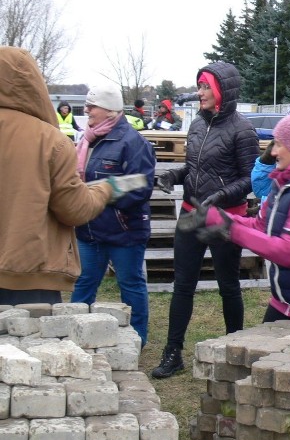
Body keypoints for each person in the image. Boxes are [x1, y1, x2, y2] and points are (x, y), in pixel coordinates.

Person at [191, 106, 290, 325]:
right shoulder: (284, 183)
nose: (273, 151)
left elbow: (289, 252)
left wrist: (230, 228)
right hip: (284, 303)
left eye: (279, 144)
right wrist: (216, 217)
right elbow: (261, 226)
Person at [151, 61, 259, 378]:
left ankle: (234, 351)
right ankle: (173, 353)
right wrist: (174, 174)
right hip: (191, 216)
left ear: (222, 91)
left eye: (204, 87)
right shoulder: (197, 125)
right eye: (198, 86)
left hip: (226, 218)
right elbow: (196, 169)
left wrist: (222, 196)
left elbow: (251, 178)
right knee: (182, 286)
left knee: (229, 287)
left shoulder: (243, 130)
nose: (199, 93)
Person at [0, 46, 117, 305]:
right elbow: (73, 209)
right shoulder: (49, 141)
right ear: (33, 83)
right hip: (28, 278)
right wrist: (107, 190)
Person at [71, 86, 156, 345]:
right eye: (86, 105)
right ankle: (71, 332)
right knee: (85, 281)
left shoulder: (132, 142)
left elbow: (141, 184)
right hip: (89, 229)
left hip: (124, 229)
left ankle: (137, 338)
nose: (86, 111)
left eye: (91, 106)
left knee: (130, 284)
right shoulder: (87, 139)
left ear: (109, 110)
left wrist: (102, 192)